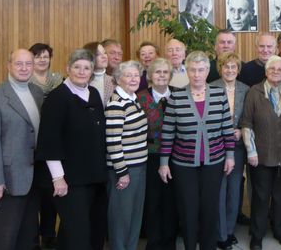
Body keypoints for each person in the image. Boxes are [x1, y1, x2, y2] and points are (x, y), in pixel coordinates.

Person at [160, 51, 236, 250]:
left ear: (207, 71)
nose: (196, 74)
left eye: (201, 70)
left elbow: (227, 128)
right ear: (187, 71)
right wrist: (163, 163)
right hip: (183, 164)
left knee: (210, 208)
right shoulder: (176, 97)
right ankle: (190, 245)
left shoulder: (219, 94)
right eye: (192, 70)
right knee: (188, 209)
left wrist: (230, 156)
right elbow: (168, 132)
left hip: (214, 161)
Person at [35, 49, 108, 250]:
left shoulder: (93, 93)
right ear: (68, 69)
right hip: (69, 180)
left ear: (92, 71)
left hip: (95, 176)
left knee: (94, 230)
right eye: (77, 67)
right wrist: (58, 178)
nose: (82, 71)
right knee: (79, 234)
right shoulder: (57, 98)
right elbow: (49, 140)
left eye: (87, 68)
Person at [241, 56, 281, 250]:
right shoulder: (254, 92)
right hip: (261, 156)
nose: (276, 72)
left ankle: (280, 230)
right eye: (272, 69)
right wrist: (251, 151)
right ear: (266, 71)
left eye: (280, 70)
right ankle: (257, 235)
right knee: (261, 198)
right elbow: (246, 123)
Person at [0, 49, 43, 250]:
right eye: (19, 63)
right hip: (9, 177)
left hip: (35, 176)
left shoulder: (37, 92)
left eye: (28, 64)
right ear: (9, 65)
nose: (24, 68)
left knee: (28, 235)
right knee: (6, 237)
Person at [136, 57, 179, 250]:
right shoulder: (140, 97)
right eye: (157, 72)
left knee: (171, 199)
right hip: (149, 155)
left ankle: (170, 241)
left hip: (176, 155)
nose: (162, 75)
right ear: (150, 76)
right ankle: (154, 242)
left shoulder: (179, 95)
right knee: (152, 200)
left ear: (170, 75)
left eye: (165, 72)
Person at [105, 60, 149, 250]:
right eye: (128, 75)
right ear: (117, 79)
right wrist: (122, 172)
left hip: (138, 166)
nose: (133, 79)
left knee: (134, 215)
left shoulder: (132, 98)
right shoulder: (117, 103)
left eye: (136, 75)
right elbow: (113, 142)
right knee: (121, 218)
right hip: (125, 170)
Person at [210, 52, 250, 250]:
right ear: (220, 68)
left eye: (234, 67)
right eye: (226, 67)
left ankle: (230, 230)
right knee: (219, 190)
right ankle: (220, 233)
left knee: (234, 190)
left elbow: (249, 116)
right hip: (216, 146)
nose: (230, 70)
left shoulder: (246, 89)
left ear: (238, 70)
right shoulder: (211, 88)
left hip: (238, 146)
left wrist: (241, 130)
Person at [27, 42, 61, 248]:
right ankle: (31, 236)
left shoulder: (58, 80)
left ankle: (48, 233)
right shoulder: (24, 81)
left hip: (52, 141)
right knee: (33, 194)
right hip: (31, 142)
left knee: (50, 192)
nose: (42, 59)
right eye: (38, 56)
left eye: (45, 56)